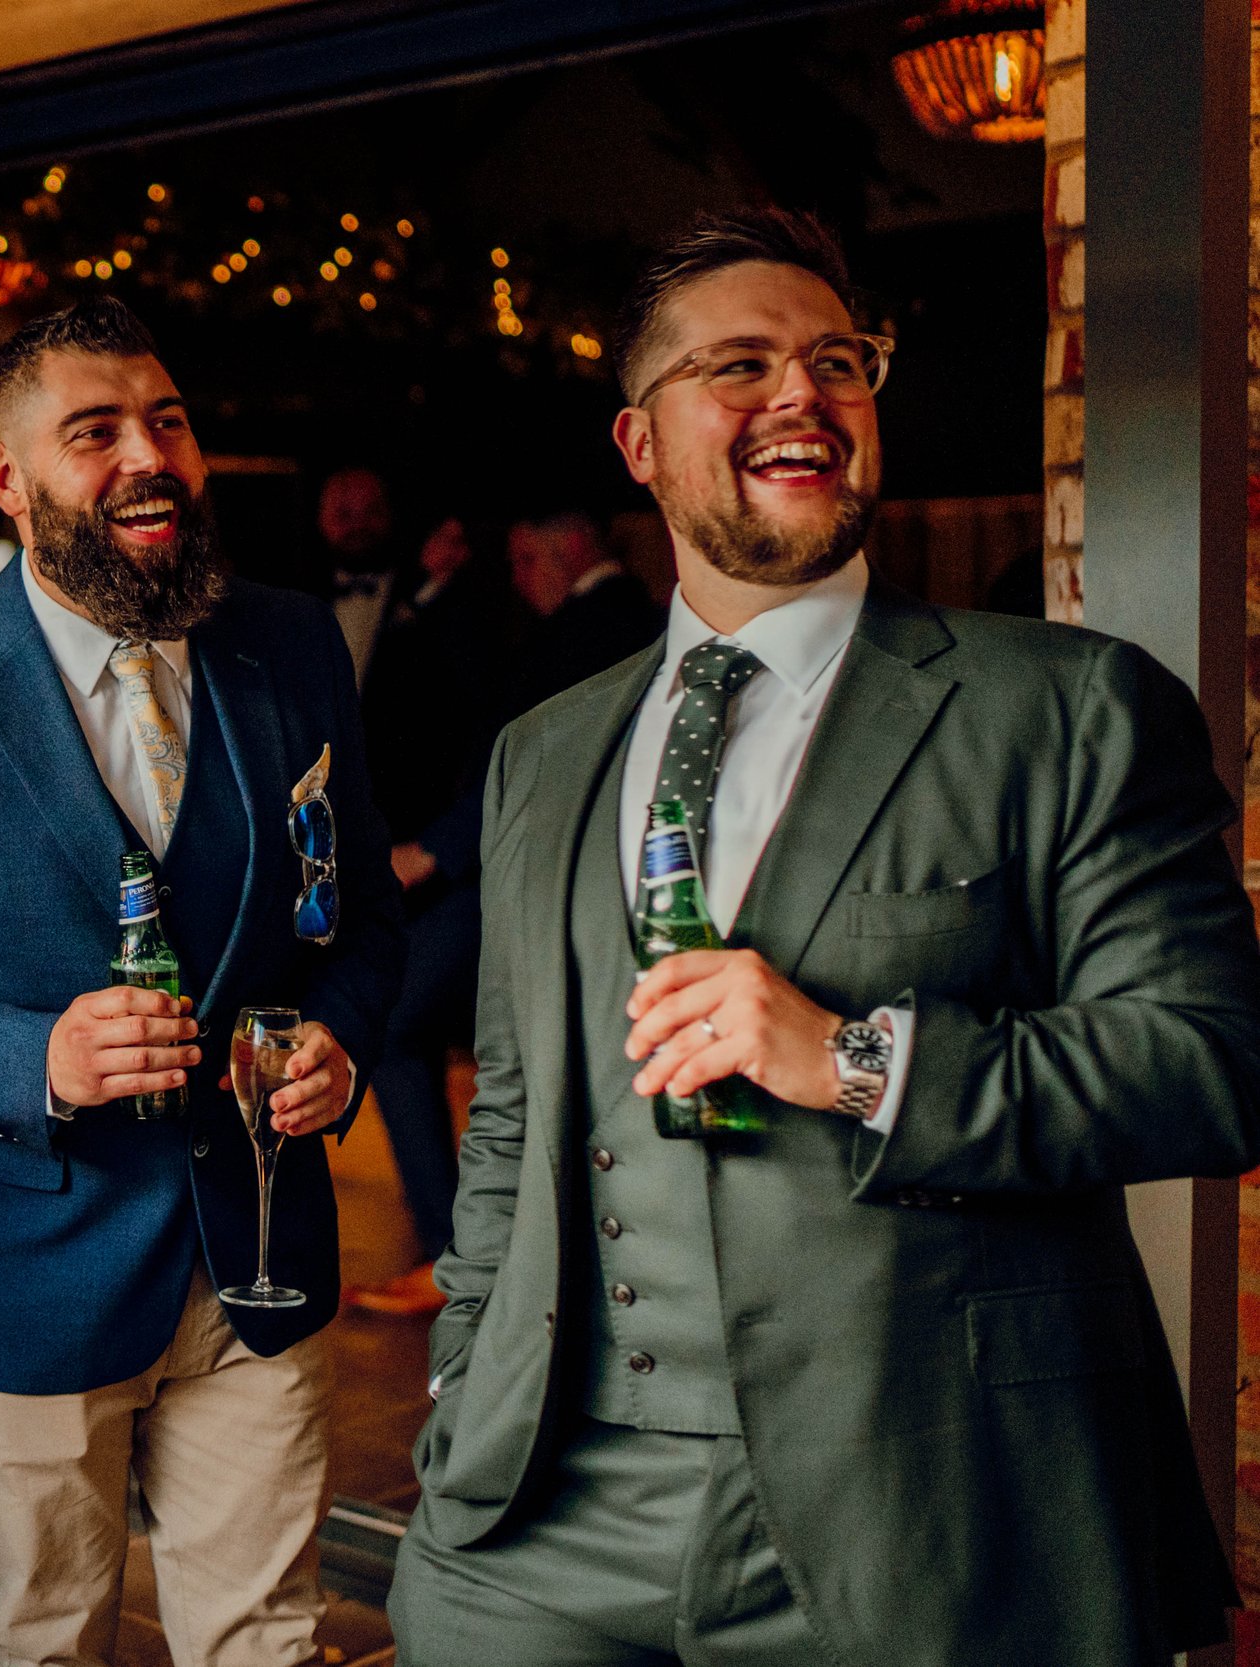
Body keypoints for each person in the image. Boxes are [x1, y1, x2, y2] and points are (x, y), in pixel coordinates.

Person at [389, 207, 1260, 1666]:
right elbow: (517, 1116)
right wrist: (460, 1386)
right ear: (640, 445)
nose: (802, 394)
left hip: (922, 1509)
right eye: (741, 365)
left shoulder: (1067, 707)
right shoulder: (541, 751)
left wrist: (854, 1057)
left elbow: (1211, 1066)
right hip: (534, 1517)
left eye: (837, 360)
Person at [0, 297, 404, 1667]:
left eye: (168, 422)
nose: (150, 456)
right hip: (31, 1258)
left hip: (261, 1244)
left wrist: (343, 1044)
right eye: (96, 431)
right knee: (51, 1635)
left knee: (265, 1640)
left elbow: (363, 917)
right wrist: (33, 1060)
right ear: (4, 477)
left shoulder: (290, 643)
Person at [345, 514, 519, 1316]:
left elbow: (512, 742)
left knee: (403, 1025)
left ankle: (462, 1259)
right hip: (442, 859)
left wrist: (437, 848)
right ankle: (462, 1255)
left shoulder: (485, 615)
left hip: (487, 865)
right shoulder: (428, 606)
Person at [504, 510, 663, 711]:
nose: (518, 579)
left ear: (574, 545)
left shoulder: (570, 635)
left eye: (527, 559)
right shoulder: (646, 610)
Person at [316, 465, 402, 683]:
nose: (359, 526)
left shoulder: (418, 593)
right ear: (321, 518)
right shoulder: (299, 599)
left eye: (372, 512)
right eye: (344, 515)